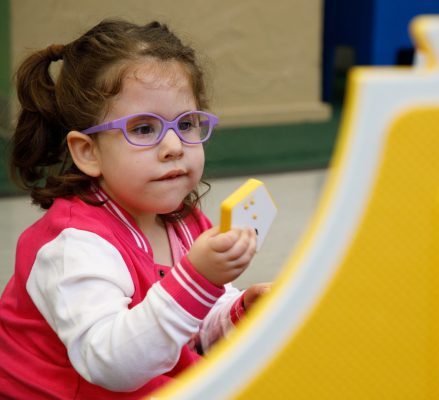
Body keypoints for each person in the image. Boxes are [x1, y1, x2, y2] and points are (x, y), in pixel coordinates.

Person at [0, 19, 270, 399]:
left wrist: (238, 312)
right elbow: (111, 364)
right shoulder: (74, 247)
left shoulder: (186, 222)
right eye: (144, 129)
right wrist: (199, 279)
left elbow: (195, 326)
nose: (174, 146)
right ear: (88, 153)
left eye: (187, 124)